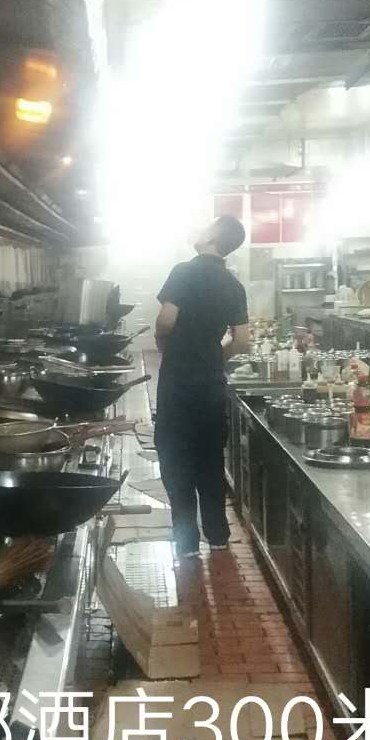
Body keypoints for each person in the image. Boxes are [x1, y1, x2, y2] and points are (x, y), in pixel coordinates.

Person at [154, 215, 250, 558]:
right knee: (209, 458)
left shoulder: (183, 272)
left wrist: (163, 343)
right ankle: (218, 535)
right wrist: (214, 358)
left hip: (177, 383)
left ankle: (186, 542)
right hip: (211, 385)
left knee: (175, 458)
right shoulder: (234, 285)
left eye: (207, 226)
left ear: (213, 236)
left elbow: (166, 320)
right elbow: (242, 341)